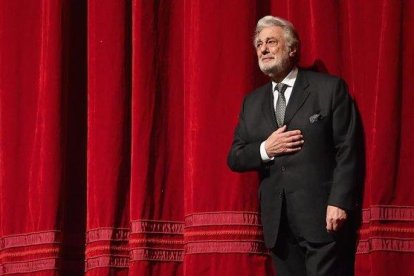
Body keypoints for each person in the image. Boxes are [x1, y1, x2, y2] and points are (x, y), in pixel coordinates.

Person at [227, 15, 359, 275]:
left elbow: (348, 148)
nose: (263, 49)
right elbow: (235, 156)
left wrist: (340, 202)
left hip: (322, 218)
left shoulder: (328, 89)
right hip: (278, 225)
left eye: (271, 42)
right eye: (259, 44)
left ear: (292, 48)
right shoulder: (251, 103)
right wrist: (266, 148)